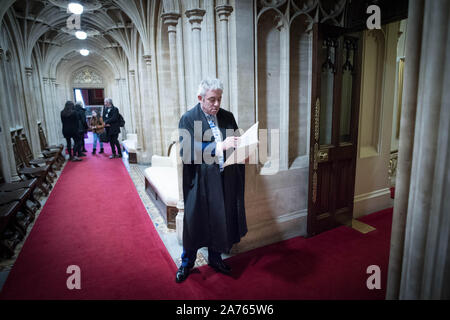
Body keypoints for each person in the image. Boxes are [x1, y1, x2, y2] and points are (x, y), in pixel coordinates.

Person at [175, 78, 247, 283]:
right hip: (200, 182)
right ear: (200, 98)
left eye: (219, 99)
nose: (216, 104)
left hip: (224, 178)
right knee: (194, 222)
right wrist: (218, 147)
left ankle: (215, 259)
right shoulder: (188, 118)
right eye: (211, 99)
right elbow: (186, 150)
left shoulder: (227, 116)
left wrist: (244, 150)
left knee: (220, 220)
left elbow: (236, 141)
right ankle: (187, 263)